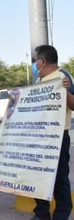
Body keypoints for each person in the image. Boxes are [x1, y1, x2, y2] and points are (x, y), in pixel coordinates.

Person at [31, 45, 74, 220]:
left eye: (35, 61)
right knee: (38, 177)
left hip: (57, 136)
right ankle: (41, 213)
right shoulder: (39, 81)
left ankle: (61, 215)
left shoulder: (63, 77)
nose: (34, 64)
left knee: (59, 180)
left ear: (42, 61)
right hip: (39, 136)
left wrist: (65, 91)